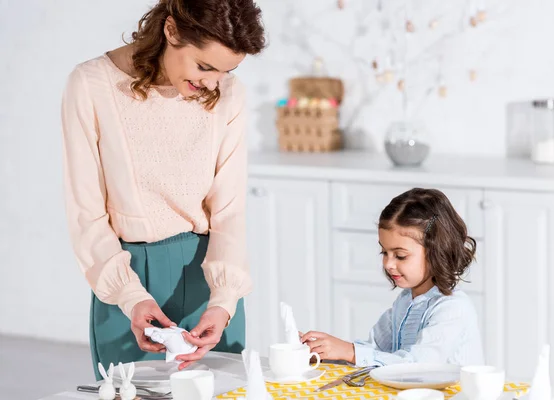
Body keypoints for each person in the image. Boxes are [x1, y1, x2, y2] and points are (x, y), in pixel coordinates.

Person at [60, 0, 266, 379]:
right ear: (171, 31)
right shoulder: (91, 85)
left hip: (209, 279)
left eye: (226, 71)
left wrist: (223, 302)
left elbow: (229, 211)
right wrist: (130, 296)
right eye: (204, 66)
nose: (212, 83)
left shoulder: (228, 95)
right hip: (130, 282)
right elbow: (85, 211)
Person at [301, 188, 484, 366]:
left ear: (436, 252)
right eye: (384, 252)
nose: (388, 264)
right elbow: (375, 351)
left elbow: (416, 365)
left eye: (400, 255)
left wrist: (350, 352)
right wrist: (324, 353)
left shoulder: (452, 309)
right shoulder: (404, 302)